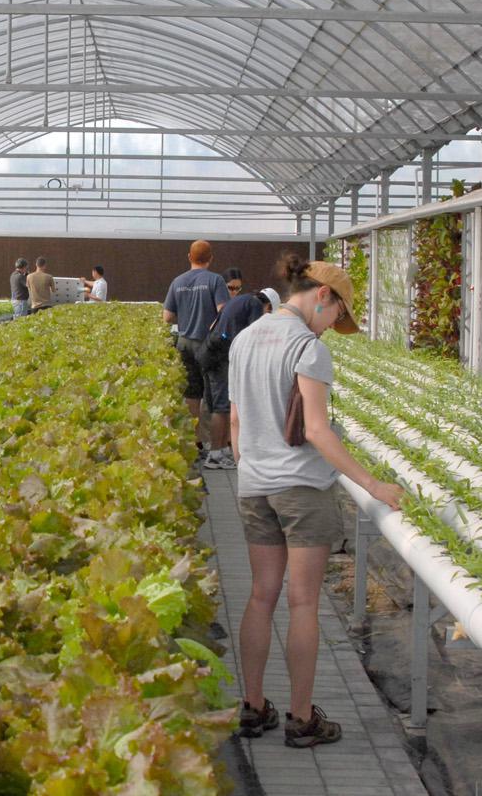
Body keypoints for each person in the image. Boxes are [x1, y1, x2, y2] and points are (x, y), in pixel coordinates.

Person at [227, 254, 404, 748]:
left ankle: (253, 705)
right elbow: (318, 430)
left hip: (254, 485)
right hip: (302, 489)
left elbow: (236, 421)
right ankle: (302, 718)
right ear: (322, 295)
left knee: (261, 595)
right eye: (337, 316)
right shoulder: (307, 348)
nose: (332, 328)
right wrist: (373, 485)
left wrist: (250, 467)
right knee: (303, 602)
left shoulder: (245, 338)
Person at [163, 240, 229, 463]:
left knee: (192, 395)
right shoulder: (215, 280)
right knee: (218, 397)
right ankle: (218, 451)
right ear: (211, 258)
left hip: (184, 343)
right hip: (208, 345)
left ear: (189, 257)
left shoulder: (177, 281)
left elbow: (167, 317)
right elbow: (223, 312)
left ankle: (196, 444)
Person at [198, 282, 276, 470]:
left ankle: (223, 449)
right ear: (269, 306)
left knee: (220, 405)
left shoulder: (241, 300)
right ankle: (215, 454)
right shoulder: (255, 306)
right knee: (222, 406)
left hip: (210, 352)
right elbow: (254, 335)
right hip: (221, 358)